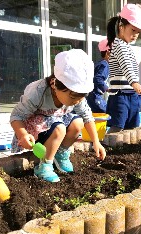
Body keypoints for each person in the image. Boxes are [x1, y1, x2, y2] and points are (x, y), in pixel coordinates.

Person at [10, 49, 106, 183]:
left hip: (57, 124)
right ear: (55, 84)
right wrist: (22, 135)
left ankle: (60, 153)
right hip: (36, 132)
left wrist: (96, 142)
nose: (77, 101)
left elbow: (87, 116)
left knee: (78, 123)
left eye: (81, 97)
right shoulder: (38, 92)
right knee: (60, 128)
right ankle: (44, 165)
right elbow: (16, 116)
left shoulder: (75, 96)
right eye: (73, 97)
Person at [105, 3, 141, 133]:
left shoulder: (126, 45)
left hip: (131, 94)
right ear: (121, 27)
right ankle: (108, 145)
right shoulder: (119, 44)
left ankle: (125, 148)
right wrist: (135, 83)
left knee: (132, 124)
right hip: (120, 95)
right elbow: (126, 65)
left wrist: (135, 86)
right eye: (133, 30)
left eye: (138, 32)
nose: (135, 35)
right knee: (118, 124)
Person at [86, 38, 110, 113]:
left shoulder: (99, 63)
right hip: (95, 95)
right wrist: (107, 88)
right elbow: (98, 78)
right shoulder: (105, 64)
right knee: (105, 113)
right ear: (108, 52)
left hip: (91, 95)